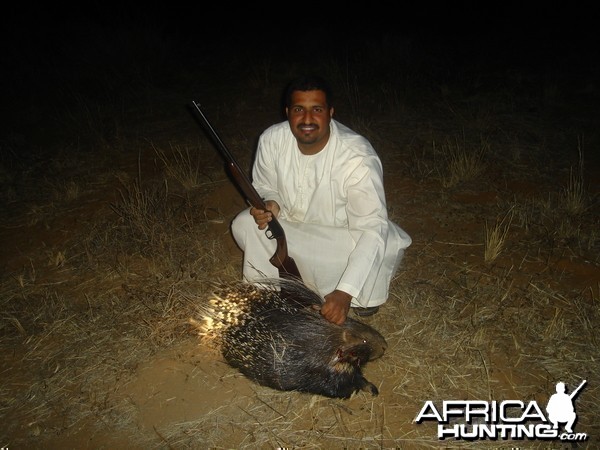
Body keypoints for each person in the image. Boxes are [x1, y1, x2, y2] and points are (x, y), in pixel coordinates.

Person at [231, 75, 411, 325]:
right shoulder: (272, 139)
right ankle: (272, 290)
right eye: (298, 110)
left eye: (316, 109)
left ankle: (353, 291)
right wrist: (271, 204)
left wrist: (345, 291)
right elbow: (264, 185)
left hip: (340, 241)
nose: (307, 119)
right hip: (293, 230)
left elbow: (371, 228)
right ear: (287, 113)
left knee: (368, 254)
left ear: (330, 113)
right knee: (244, 224)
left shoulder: (356, 156)